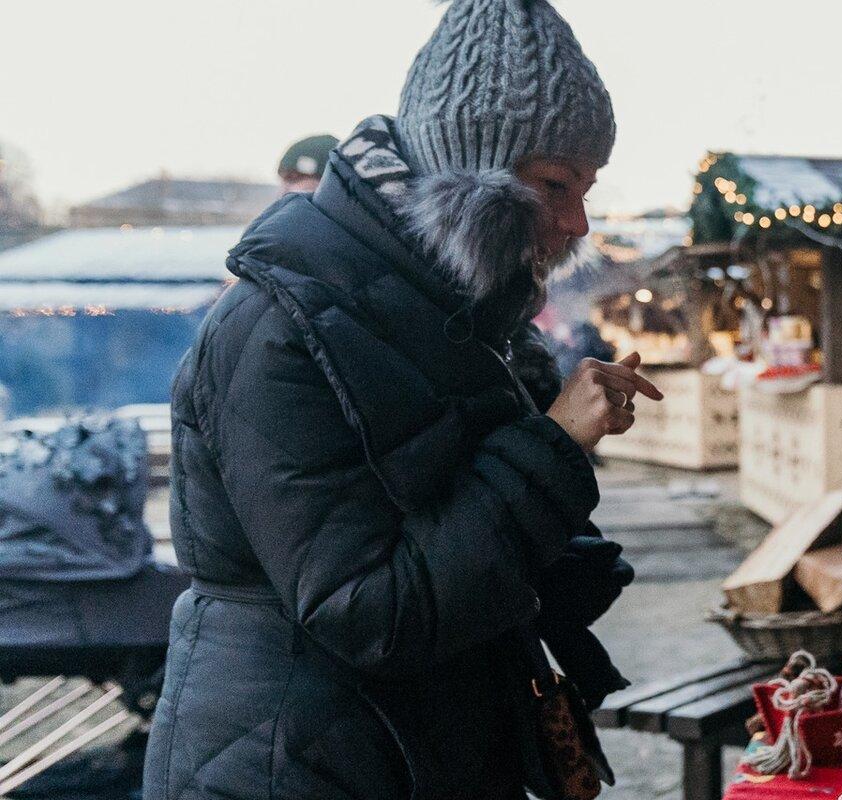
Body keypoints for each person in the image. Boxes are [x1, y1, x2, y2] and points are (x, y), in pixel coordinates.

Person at [145, 1, 649, 798]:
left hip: (408, 745)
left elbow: (463, 547)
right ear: (467, 169)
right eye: (555, 183)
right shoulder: (282, 325)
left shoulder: (465, 314)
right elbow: (372, 612)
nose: (577, 220)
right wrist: (550, 447)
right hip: (298, 763)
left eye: (586, 188)